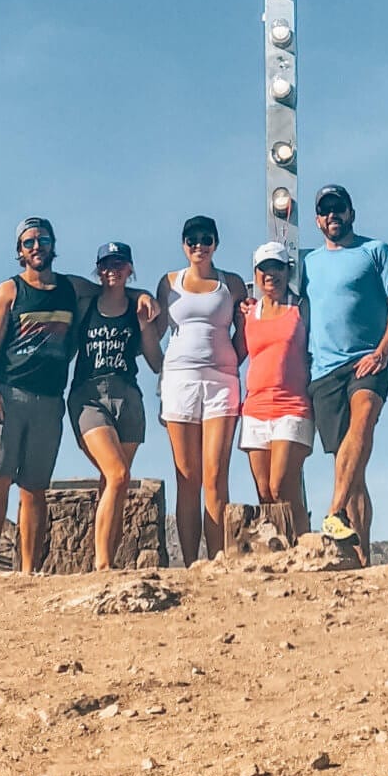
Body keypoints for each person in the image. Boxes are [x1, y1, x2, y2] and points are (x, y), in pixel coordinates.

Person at [0, 217, 96, 576]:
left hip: (50, 399)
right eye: (28, 242)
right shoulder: (9, 291)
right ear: (20, 251)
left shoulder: (72, 288)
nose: (36, 246)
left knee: (35, 486)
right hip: (9, 394)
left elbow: (110, 290)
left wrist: (142, 298)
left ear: (53, 244)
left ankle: (28, 568)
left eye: (42, 239)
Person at [302, 184, 388, 566]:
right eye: (325, 210)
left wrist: (383, 352)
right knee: (352, 469)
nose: (332, 215)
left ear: (352, 212)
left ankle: (332, 513)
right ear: (317, 219)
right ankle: (361, 557)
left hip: (367, 362)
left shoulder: (375, 251)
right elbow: (273, 288)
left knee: (363, 423)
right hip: (324, 370)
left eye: (339, 208)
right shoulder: (307, 262)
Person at [156, 214, 247, 565]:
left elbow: (245, 330)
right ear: (183, 244)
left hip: (222, 382)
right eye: (192, 239)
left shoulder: (233, 283)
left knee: (216, 474)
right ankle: (193, 561)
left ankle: (219, 558)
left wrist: (229, 362)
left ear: (216, 243)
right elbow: (156, 329)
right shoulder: (169, 282)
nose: (199, 245)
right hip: (180, 379)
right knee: (187, 476)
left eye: (206, 239)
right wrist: (156, 365)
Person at [67, 241, 163, 571]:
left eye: (119, 264)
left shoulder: (138, 309)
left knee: (114, 485)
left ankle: (108, 558)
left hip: (128, 397)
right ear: (98, 268)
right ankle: (103, 565)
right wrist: (141, 292)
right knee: (118, 474)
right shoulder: (86, 305)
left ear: (130, 267)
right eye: (106, 264)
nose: (113, 270)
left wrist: (145, 318)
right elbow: (67, 283)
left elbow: (154, 361)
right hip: (89, 395)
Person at [239, 242, 313, 540]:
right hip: (255, 409)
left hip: (292, 406)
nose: (271, 275)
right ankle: (280, 550)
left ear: (287, 271)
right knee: (265, 492)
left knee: (282, 484)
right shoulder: (248, 314)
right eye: (264, 269)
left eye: (277, 268)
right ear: (256, 275)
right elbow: (237, 352)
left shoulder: (301, 307)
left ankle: (305, 545)